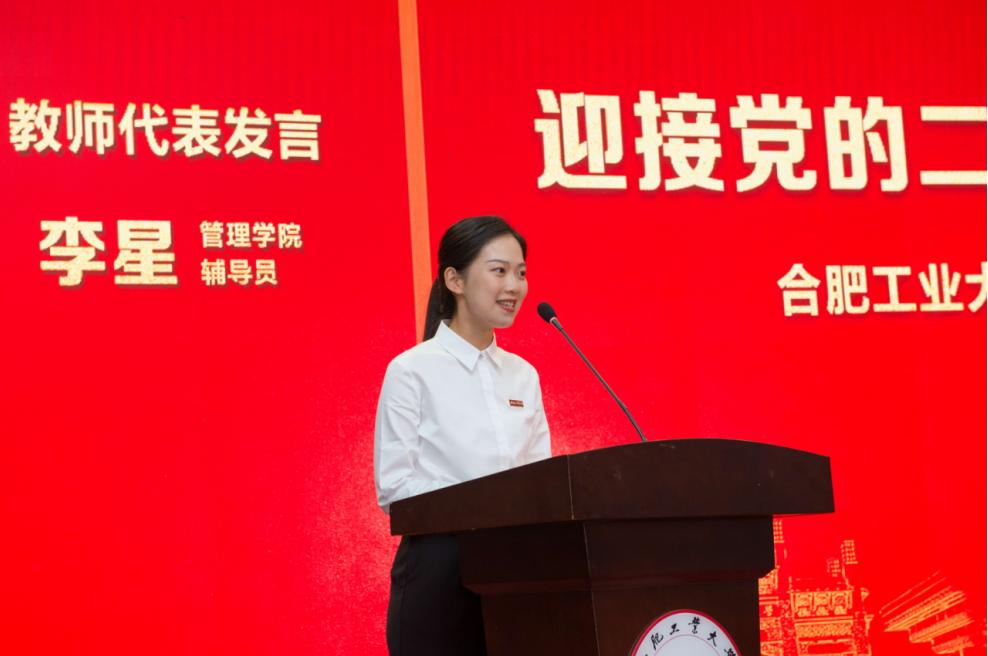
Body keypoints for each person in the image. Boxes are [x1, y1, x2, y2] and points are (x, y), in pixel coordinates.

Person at [374, 216, 552, 656]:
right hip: (438, 570)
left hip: (517, 574)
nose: (514, 286)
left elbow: (542, 480)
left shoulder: (523, 375)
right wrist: (482, 503)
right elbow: (395, 489)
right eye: (499, 271)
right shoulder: (412, 370)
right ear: (454, 280)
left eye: (521, 272)